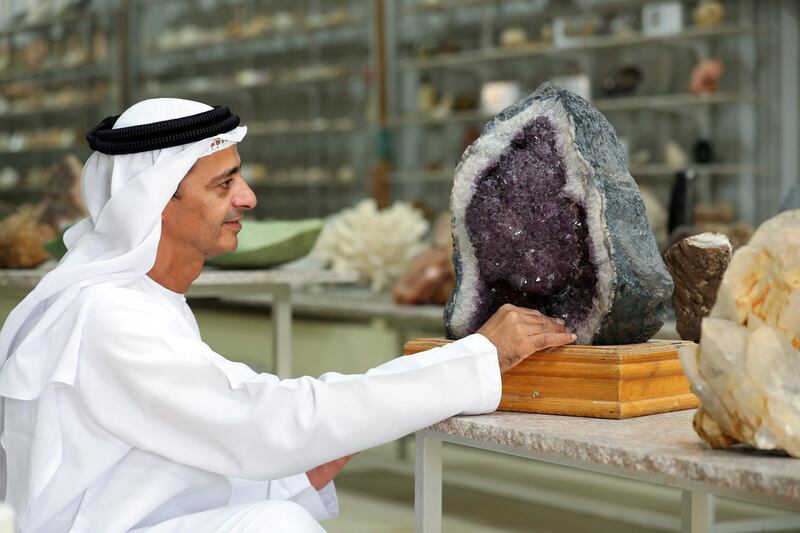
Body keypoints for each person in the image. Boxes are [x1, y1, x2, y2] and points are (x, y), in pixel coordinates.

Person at [0, 99, 575, 533]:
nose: (247, 198)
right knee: (275, 526)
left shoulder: (141, 301)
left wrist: (370, 414)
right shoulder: (107, 318)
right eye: (224, 183)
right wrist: (474, 358)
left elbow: (240, 426)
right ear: (155, 203)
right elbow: (264, 424)